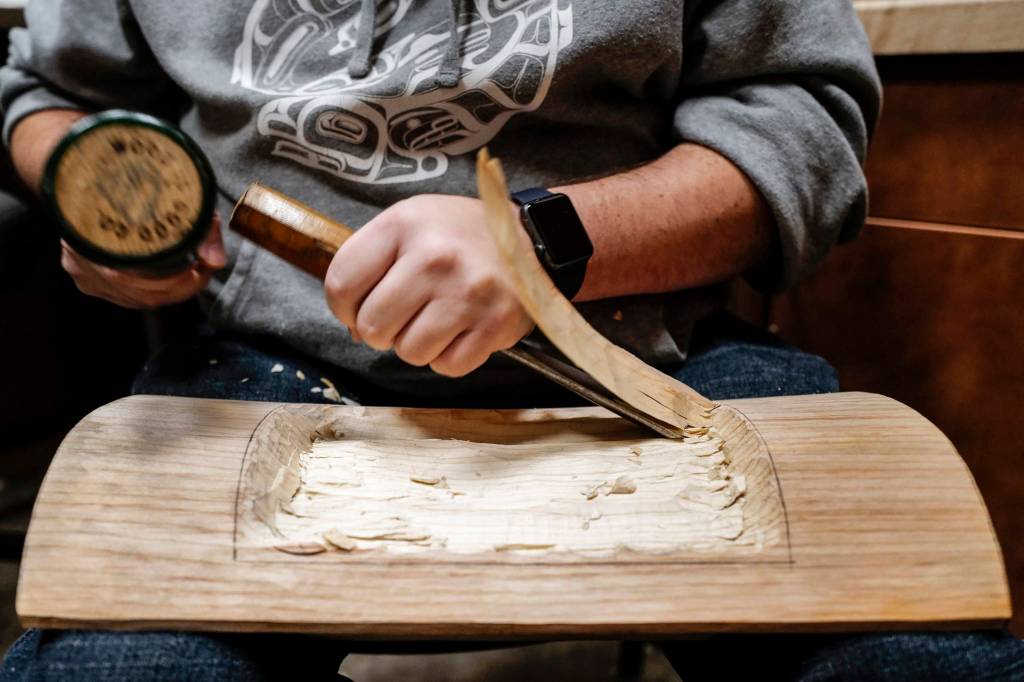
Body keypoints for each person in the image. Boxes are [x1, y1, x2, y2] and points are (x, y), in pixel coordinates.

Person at [1, 0, 1021, 680]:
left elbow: (806, 133)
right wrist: (96, 189)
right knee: (122, 665)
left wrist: (542, 245)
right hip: (268, 365)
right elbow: (48, 98)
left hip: (649, 358)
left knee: (908, 656)